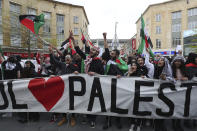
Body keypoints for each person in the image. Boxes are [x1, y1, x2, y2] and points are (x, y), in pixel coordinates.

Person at [72, 30, 104, 128]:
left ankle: (92, 119)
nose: (91, 51)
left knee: (92, 102)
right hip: (85, 84)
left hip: (94, 85)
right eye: (91, 50)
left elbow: (102, 75)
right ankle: (86, 116)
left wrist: (94, 73)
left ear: (97, 53)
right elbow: (77, 49)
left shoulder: (98, 62)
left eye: (93, 50)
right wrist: (73, 39)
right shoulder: (86, 58)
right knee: (85, 101)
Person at [49, 44, 79, 127]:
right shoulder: (62, 64)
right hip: (63, 87)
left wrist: (76, 73)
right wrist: (51, 53)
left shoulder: (74, 66)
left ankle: (73, 117)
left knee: (72, 103)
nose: (67, 59)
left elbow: (78, 74)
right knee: (63, 102)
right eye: (66, 58)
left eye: (68, 58)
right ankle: (64, 117)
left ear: (71, 59)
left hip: (71, 87)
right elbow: (54, 61)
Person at [102, 32, 125, 130]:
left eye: (112, 53)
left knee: (117, 103)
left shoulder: (120, 61)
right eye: (110, 53)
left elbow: (125, 68)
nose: (110, 54)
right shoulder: (108, 60)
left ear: (117, 55)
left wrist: (118, 68)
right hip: (108, 84)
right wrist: (105, 38)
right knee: (108, 103)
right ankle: (108, 121)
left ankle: (118, 121)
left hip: (118, 85)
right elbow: (106, 48)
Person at [153, 56, 173, 131]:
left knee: (163, 109)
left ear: (165, 62)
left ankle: (162, 125)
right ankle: (157, 126)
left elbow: (172, 79)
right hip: (155, 92)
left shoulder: (167, 70)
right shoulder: (155, 68)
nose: (160, 61)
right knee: (156, 109)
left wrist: (166, 79)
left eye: (162, 60)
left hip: (165, 93)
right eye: (159, 60)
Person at [171, 56, 189, 131]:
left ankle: (178, 123)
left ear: (182, 62)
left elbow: (188, 77)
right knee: (172, 107)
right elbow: (168, 78)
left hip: (181, 91)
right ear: (174, 62)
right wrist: (174, 79)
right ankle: (173, 123)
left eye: (179, 61)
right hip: (172, 91)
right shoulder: (170, 69)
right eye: (176, 61)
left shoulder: (185, 69)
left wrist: (185, 78)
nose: (177, 62)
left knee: (180, 107)